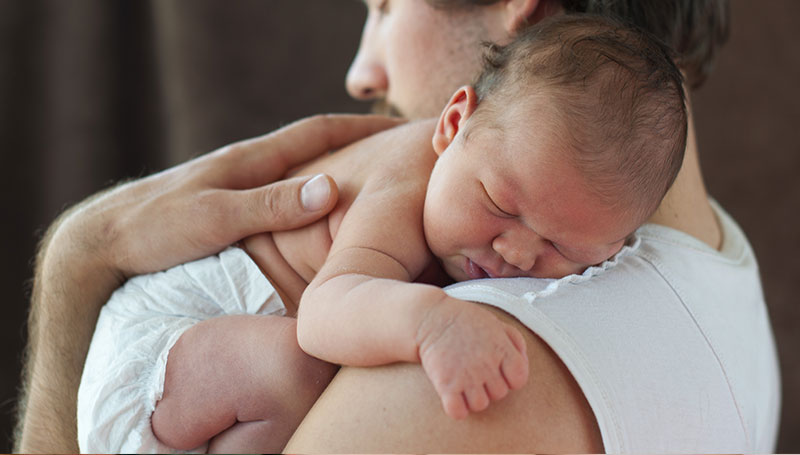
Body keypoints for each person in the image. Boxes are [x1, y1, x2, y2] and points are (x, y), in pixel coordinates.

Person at [16, 0, 781, 453]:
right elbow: (333, 305)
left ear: (523, 9)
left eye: (386, 5)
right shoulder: (720, 267)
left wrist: (76, 269)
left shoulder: (474, 374)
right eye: (504, 205)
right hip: (169, 344)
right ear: (460, 122)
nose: (363, 73)